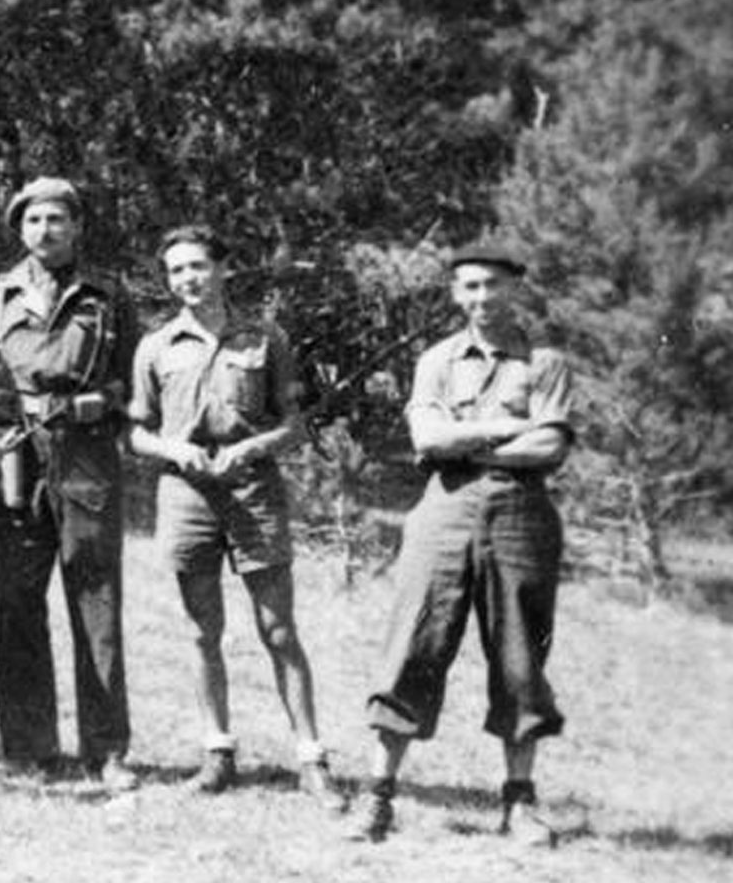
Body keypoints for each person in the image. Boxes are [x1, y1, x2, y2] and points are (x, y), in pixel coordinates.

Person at [345, 245, 574, 847]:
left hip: (521, 513)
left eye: (493, 285)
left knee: (520, 658)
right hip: (443, 511)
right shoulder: (438, 360)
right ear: (454, 294)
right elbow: (426, 435)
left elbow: (549, 448)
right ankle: (378, 798)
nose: (481, 298)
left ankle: (519, 803)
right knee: (414, 644)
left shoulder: (545, 363)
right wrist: (503, 429)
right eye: (469, 287)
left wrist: (465, 443)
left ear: (515, 289)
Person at [126, 225, 342, 808]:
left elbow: (295, 425)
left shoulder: (265, 339)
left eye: (197, 266)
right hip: (187, 496)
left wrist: (249, 449)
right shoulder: (156, 346)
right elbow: (139, 433)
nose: (187, 280)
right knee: (202, 630)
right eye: (176, 271)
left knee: (278, 630)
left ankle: (311, 758)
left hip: (253, 492)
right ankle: (217, 751)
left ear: (223, 269)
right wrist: (175, 449)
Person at [0, 176, 140, 790]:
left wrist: (102, 406)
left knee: (96, 599)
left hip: (86, 457)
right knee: (14, 601)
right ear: (19, 229)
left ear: (77, 227)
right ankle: (27, 746)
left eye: (58, 219)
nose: (46, 230)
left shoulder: (109, 297)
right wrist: (3, 434)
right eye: (34, 220)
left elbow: (132, 384)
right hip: (15, 459)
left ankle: (107, 749)